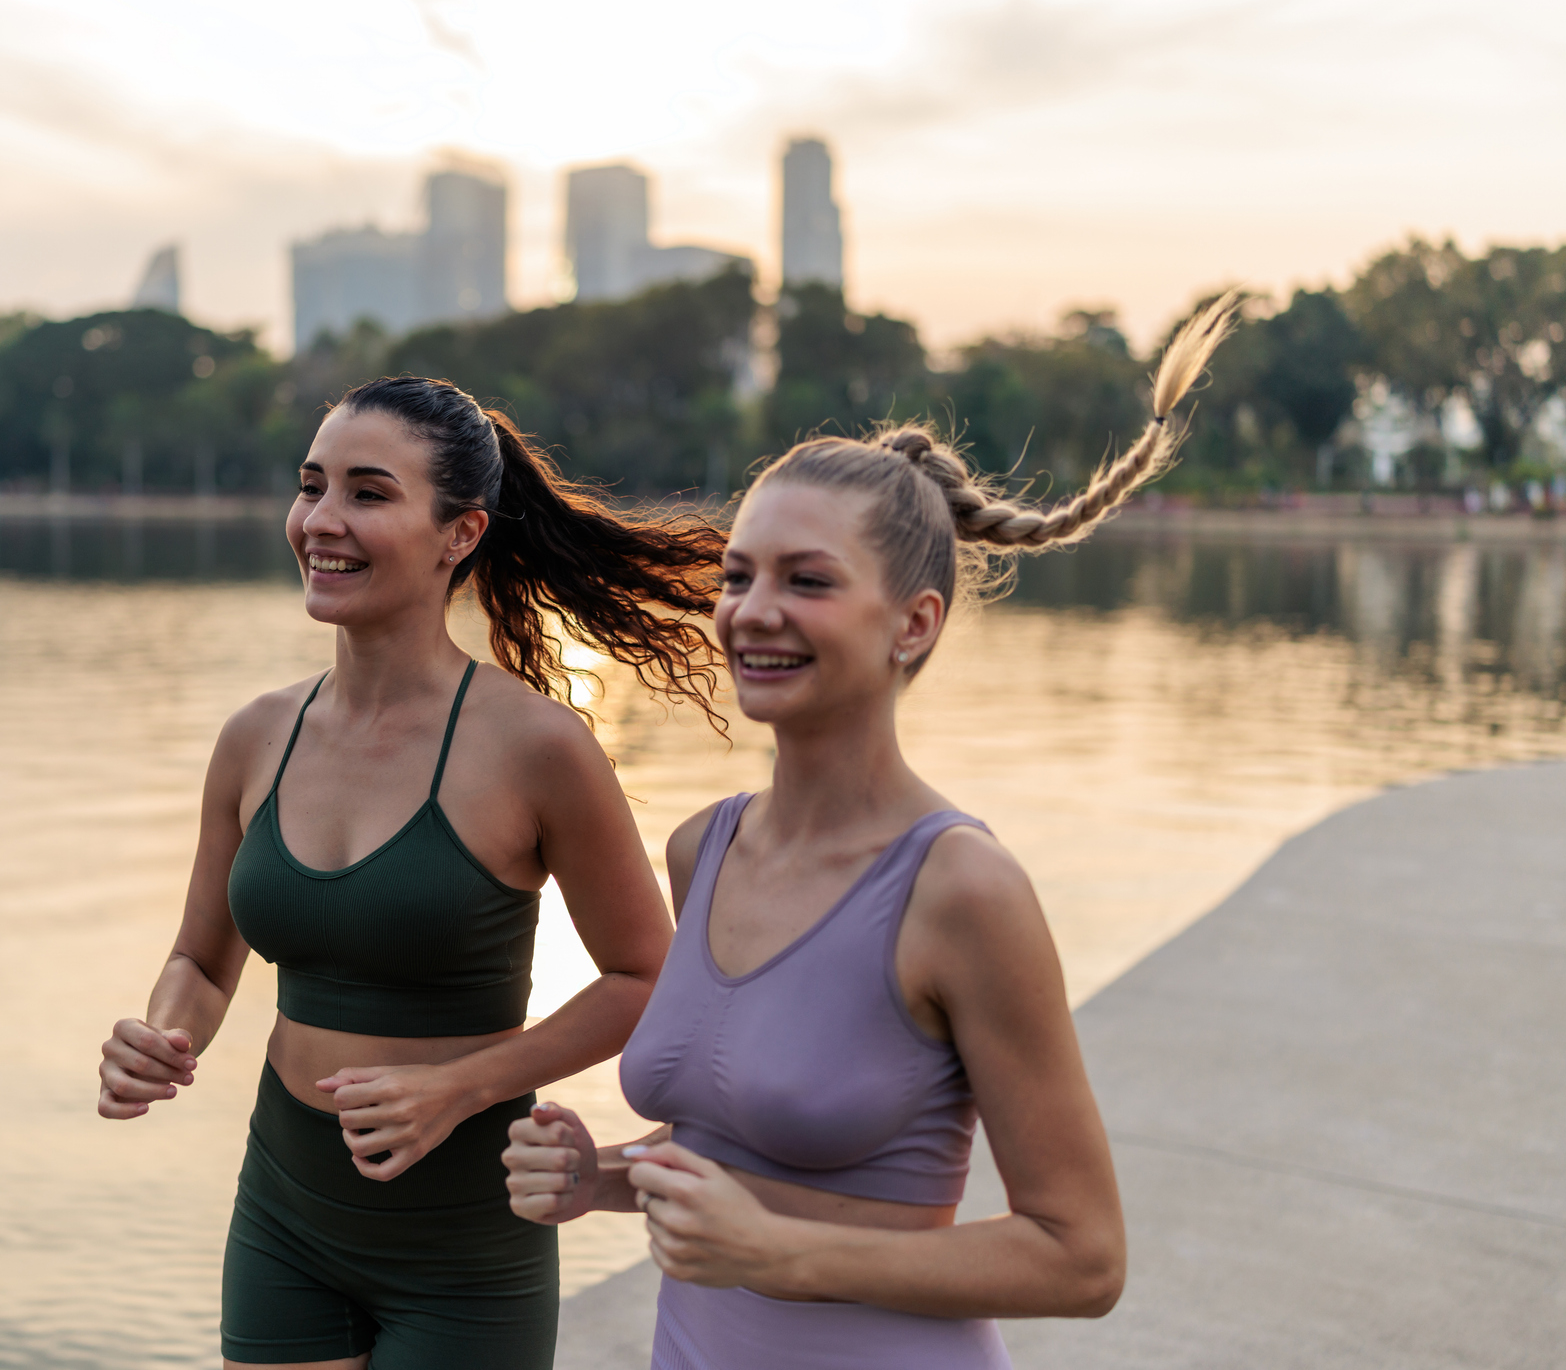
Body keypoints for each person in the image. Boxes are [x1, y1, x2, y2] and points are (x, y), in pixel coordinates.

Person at [503, 297, 1241, 1367]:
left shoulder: (959, 889)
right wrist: (601, 1177)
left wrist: (781, 1254)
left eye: (806, 580)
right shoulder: (699, 849)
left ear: (913, 623)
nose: (752, 610)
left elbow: (1080, 1257)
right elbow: (737, 1142)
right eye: (738, 574)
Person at [97, 376, 729, 1369]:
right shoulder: (256, 736)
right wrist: (164, 1033)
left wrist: (460, 1087)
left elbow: (648, 981)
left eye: (367, 492)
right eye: (311, 486)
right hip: (285, 1211)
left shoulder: (537, 746)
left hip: (466, 1238)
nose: (321, 521)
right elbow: (203, 960)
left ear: (459, 532)